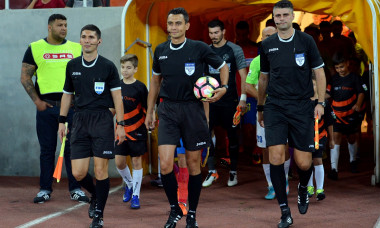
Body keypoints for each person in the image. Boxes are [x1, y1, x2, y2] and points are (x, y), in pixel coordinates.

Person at [145, 7, 228, 228]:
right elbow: (155, 83)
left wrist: (224, 87)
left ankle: (192, 213)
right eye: (170, 23)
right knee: (165, 165)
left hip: (193, 110)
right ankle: (175, 209)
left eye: (178, 23)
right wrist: (150, 111)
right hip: (168, 110)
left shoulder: (199, 48)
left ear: (187, 26)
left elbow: (223, 66)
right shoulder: (161, 50)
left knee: (193, 166)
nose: (174, 27)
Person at [257, 1, 326, 227]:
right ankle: (284, 211)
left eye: (286, 15)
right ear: (274, 18)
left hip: (302, 106)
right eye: (278, 16)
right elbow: (263, 78)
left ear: (292, 16)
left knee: (304, 163)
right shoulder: (267, 44)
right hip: (275, 106)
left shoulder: (306, 41)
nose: (281, 19)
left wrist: (321, 102)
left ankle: (303, 187)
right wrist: (260, 106)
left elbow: (319, 72)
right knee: (276, 157)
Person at [58, 24, 126, 228]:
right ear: (80, 40)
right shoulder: (72, 66)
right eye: (84, 36)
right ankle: (96, 195)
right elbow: (67, 95)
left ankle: (99, 215)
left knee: (100, 170)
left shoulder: (108, 66)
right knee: (77, 173)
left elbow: (117, 98)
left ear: (99, 41)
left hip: (102, 121)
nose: (87, 40)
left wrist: (120, 124)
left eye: (91, 37)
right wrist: (62, 121)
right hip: (79, 120)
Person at [20, 14, 88, 204]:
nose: (64, 28)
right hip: (47, 109)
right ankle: (44, 189)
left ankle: (76, 189)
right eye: (60, 25)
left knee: (73, 150)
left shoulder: (76, 48)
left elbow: (84, 76)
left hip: (73, 109)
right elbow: (25, 77)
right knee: (47, 150)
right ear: (49, 27)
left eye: (66, 25)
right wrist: (37, 102)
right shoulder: (35, 48)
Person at [246, 26, 291, 200]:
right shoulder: (257, 61)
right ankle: (271, 185)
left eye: (272, 35)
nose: (269, 38)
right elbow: (248, 85)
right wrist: (263, 97)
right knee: (265, 149)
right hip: (264, 109)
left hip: (285, 109)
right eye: (266, 36)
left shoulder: (287, 57)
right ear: (262, 40)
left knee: (284, 147)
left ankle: (284, 180)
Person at [202, 19, 247, 188]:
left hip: (231, 101)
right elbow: (202, 76)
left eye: (216, 32)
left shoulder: (235, 49)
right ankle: (212, 171)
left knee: (233, 137)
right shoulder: (206, 50)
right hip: (211, 101)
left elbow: (244, 76)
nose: (213, 36)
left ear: (223, 32)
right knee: (207, 134)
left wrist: (242, 98)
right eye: (211, 33)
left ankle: (233, 172)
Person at [114, 54, 148, 210]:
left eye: (128, 67)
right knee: (119, 162)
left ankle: (136, 195)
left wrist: (150, 122)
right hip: (120, 130)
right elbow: (112, 109)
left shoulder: (141, 87)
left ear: (135, 69)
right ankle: (129, 185)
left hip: (137, 130)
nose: (125, 70)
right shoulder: (116, 86)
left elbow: (147, 109)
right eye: (122, 67)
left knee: (136, 162)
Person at [326, 53, 365, 180]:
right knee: (335, 138)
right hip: (336, 115)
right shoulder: (334, 79)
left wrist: (358, 105)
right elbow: (328, 93)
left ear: (348, 63)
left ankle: (353, 161)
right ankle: (334, 169)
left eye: (341, 67)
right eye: (337, 68)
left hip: (351, 115)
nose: (340, 70)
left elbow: (361, 92)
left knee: (351, 138)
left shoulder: (355, 78)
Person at [235, 20, 260, 165]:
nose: (241, 37)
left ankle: (256, 149)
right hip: (236, 94)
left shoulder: (255, 49)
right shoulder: (232, 49)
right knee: (237, 124)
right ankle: (241, 149)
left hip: (251, 94)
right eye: (239, 35)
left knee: (251, 125)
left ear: (248, 33)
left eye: (244, 34)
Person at [307, 76, 335, 201]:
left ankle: (320, 189)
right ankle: (309, 187)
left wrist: (332, 139)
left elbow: (329, 123)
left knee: (317, 160)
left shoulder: (324, 103)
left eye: (314, 85)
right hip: (306, 137)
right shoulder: (303, 102)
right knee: (307, 162)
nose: (312, 87)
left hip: (321, 136)